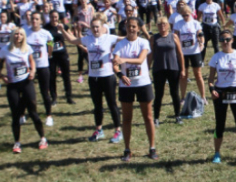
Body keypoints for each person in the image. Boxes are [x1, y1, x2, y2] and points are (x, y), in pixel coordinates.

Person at [58, 18, 123, 143]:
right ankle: (99, 130)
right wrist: (62, 30)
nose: (95, 29)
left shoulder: (109, 38)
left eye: (97, 27)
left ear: (103, 27)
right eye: (93, 27)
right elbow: (72, 40)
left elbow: (125, 39)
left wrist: (134, 29)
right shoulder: (88, 39)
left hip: (108, 76)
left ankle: (118, 131)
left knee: (112, 104)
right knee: (97, 105)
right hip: (93, 78)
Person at [0, 28, 48, 154]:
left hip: (26, 83)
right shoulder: (5, 50)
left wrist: (33, 71)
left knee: (33, 111)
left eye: (20, 34)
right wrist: (1, 76)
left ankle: (42, 138)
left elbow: (31, 61)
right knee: (15, 114)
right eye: (16, 34)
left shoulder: (27, 48)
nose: (18, 36)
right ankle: (17, 142)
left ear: (23, 36)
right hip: (13, 84)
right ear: (12, 36)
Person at [112, 17, 157, 161]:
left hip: (143, 83)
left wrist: (124, 60)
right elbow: (115, 64)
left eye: (134, 26)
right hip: (126, 85)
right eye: (129, 26)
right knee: (126, 118)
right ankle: (127, 149)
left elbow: (140, 60)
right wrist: (120, 75)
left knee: (148, 117)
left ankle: (152, 148)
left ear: (138, 28)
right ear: (126, 27)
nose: (131, 29)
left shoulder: (143, 42)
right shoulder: (120, 45)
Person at [207, 29, 236, 164]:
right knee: (219, 125)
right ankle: (217, 153)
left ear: (232, 40)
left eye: (227, 39)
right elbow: (210, 78)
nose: (225, 42)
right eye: (222, 40)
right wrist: (212, 90)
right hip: (220, 93)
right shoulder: (216, 57)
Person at [150, 16, 184, 125]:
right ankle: (156, 118)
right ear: (157, 26)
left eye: (164, 23)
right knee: (159, 94)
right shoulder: (154, 38)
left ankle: (177, 115)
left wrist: (182, 69)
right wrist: (146, 68)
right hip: (159, 68)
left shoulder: (174, 37)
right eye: (159, 24)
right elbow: (150, 55)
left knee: (174, 93)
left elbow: (180, 54)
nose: (162, 26)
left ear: (168, 25)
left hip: (173, 68)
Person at [26, 12, 56, 127]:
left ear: (41, 21)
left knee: (45, 92)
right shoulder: (26, 32)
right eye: (33, 19)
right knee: (27, 93)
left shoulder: (46, 33)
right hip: (29, 67)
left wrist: (49, 53)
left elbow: (50, 43)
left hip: (42, 65)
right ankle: (26, 113)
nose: (34, 21)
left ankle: (49, 115)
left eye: (37, 19)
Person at [174, 3, 207, 102]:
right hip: (183, 53)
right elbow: (175, 37)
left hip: (194, 51)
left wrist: (202, 43)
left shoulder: (195, 23)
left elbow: (200, 34)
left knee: (198, 74)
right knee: (183, 75)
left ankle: (203, 97)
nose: (185, 17)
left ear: (191, 13)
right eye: (183, 15)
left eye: (186, 15)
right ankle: (183, 97)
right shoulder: (178, 24)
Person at [45, 11, 74, 105]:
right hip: (52, 55)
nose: (54, 19)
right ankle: (54, 97)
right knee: (52, 76)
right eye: (52, 17)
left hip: (62, 54)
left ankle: (69, 97)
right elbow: (47, 41)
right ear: (49, 17)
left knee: (66, 75)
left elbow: (70, 36)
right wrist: (50, 47)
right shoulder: (46, 28)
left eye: (56, 17)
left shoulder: (63, 26)